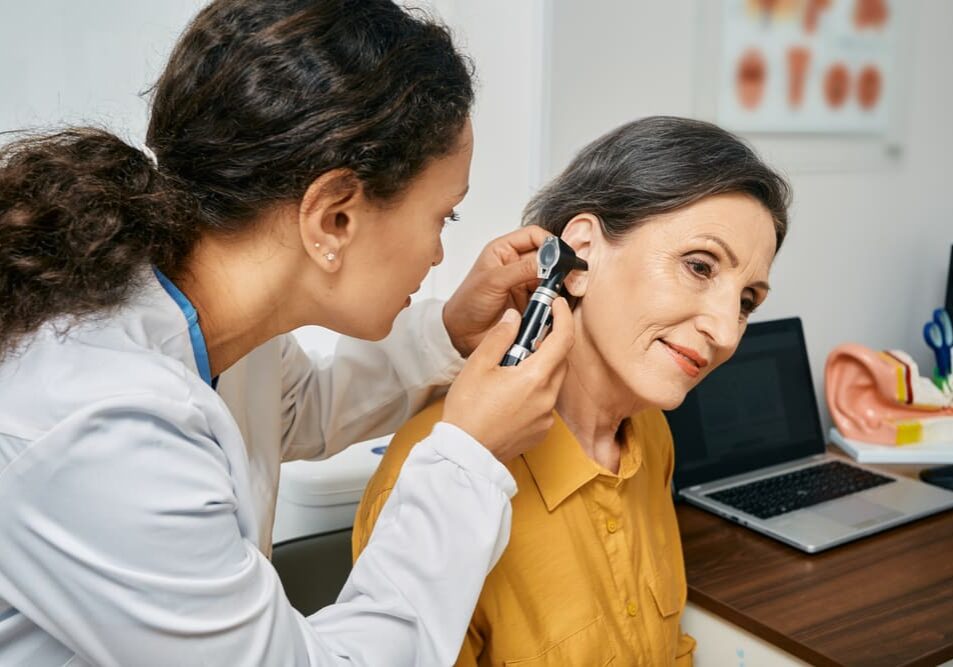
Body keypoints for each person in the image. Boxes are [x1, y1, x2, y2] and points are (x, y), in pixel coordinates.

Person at [0, 1, 574, 665]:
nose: (439, 253)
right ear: (332, 217)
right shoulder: (99, 428)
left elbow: (296, 408)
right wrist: (469, 458)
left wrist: (448, 330)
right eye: (443, 215)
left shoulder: (202, 311)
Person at [353, 116, 791, 666]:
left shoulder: (651, 435)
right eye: (699, 266)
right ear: (581, 253)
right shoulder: (435, 479)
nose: (726, 332)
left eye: (747, 300)